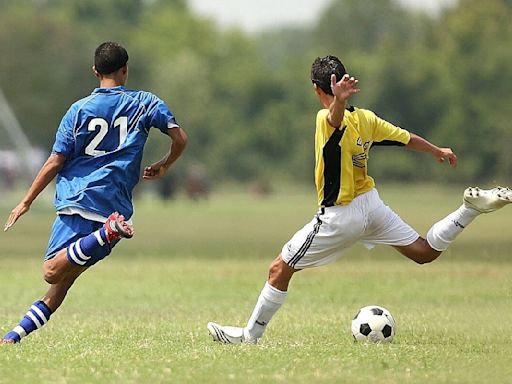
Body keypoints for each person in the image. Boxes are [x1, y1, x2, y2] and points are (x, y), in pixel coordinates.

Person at [207, 55, 512, 344]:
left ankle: (250, 336)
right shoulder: (366, 118)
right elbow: (404, 137)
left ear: (316, 89)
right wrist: (437, 150)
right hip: (371, 205)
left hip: (340, 215)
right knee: (424, 252)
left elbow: (334, 119)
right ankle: (469, 209)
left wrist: (338, 101)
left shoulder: (324, 118)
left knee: (279, 270)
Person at [1, 42, 187, 343]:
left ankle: (105, 233)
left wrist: (26, 201)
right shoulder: (145, 102)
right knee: (62, 283)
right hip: (115, 205)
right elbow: (180, 138)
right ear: (125, 69)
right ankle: (13, 336)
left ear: (94, 71)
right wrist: (165, 164)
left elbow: (56, 160)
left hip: (79, 200)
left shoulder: (78, 110)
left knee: (51, 272)